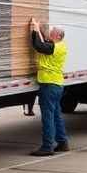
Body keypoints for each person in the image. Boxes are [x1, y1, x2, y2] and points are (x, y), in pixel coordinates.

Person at [29, 18, 69, 156]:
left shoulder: (54, 48)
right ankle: (63, 142)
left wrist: (34, 30)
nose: (49, 35)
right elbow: (44, 43)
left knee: (48, 117)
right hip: (57, 85)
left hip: (49, 85)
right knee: (56, 115)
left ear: (58, 36)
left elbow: (38, 46)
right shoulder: (60, 46)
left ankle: (47, 147)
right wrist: (38, 29)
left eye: (52, 33)